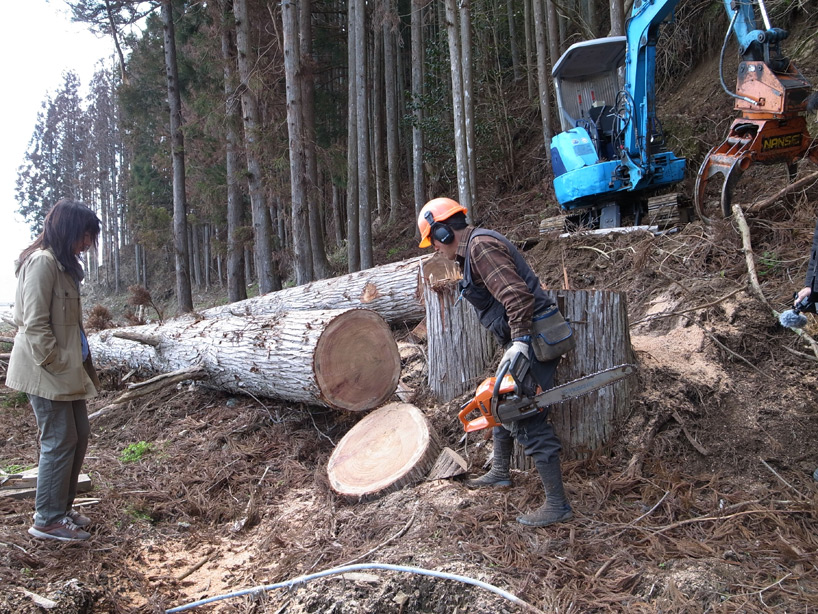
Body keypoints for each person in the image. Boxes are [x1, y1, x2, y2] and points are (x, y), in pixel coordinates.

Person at [417, 197, 572, 527]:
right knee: (497, 396)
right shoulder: (473, 250)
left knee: (523, 412)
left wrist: (519, 341)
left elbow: (517, 296)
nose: (436, 250)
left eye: (433, 241)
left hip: (535, 337)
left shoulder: (480, 248)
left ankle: (558, 504)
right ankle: (500, 472)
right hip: (526, 338)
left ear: (444, 233)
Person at [6, 199, 102, 542]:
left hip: (65, 370)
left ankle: (61, 509)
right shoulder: (42, 263)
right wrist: (56, 363)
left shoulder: (64, 266)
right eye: (85, 235)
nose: (88, 243)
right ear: (69, 230)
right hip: (45, 372)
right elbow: (32, 325)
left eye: (91, 237)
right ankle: (47, 518)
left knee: (79, 434)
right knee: (59, 440)